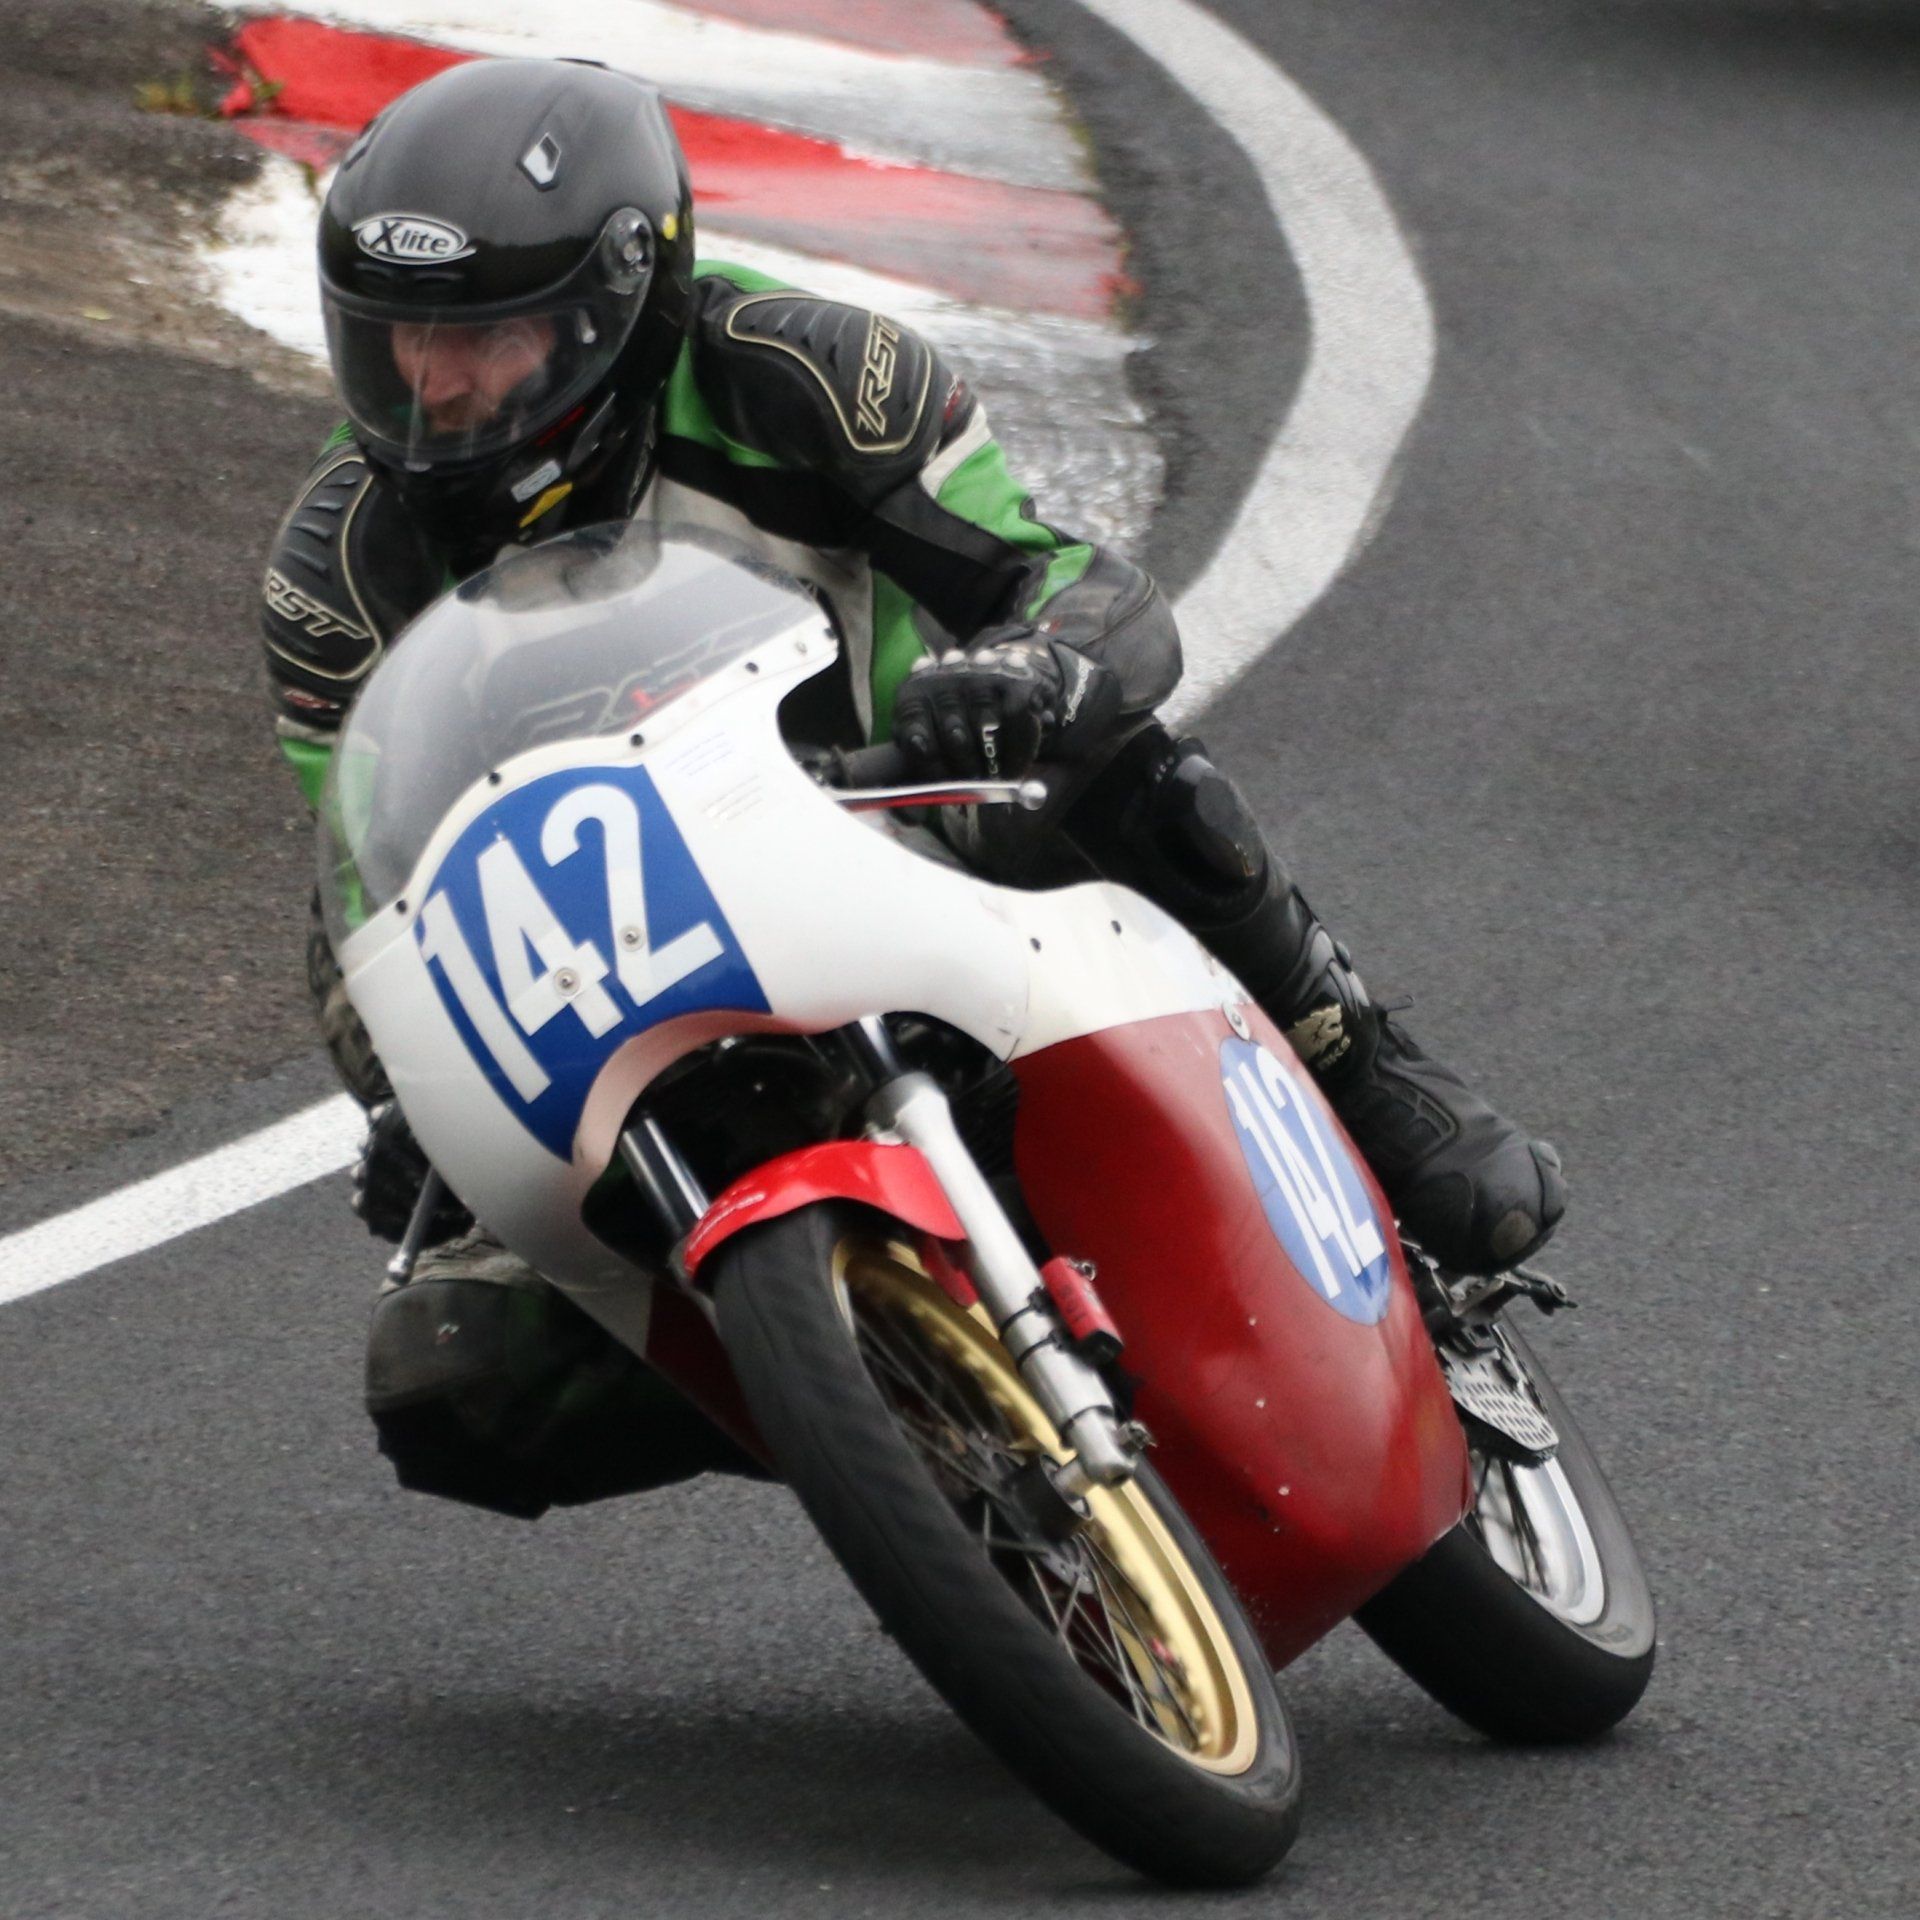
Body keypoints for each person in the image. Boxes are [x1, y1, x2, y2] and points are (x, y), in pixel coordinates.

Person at [261, 58, 1564, 1517]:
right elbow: (370, 889)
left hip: (902, 813)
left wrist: (1029, 664)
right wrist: (423, 1102)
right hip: (628, 956)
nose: (434, 392)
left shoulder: (809, 372)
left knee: (1116, 768)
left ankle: (1360, 1067)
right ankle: (886, 1407)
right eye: (395, 347)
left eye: (486, 341)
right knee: (457, 1383)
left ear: (617, 302)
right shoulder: (340, 574)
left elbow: (1066, 577)